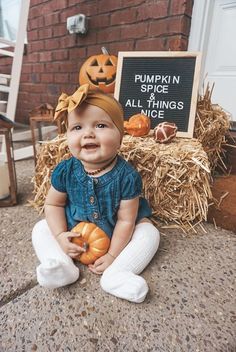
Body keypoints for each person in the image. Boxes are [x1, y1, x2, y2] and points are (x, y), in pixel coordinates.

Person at [32, 84, 160, 303]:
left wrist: (112, 255)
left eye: (100, 125)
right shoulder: (66, 170)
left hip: (119, 234)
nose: (88, 134)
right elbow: (53, 205)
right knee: (41, 227)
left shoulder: (126, 176)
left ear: (120, 137)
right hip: (77, 232)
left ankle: (118, 273)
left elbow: (126, 220)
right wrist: (61, 236)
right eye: (77, 128)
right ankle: (61, 265)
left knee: (150, 234)